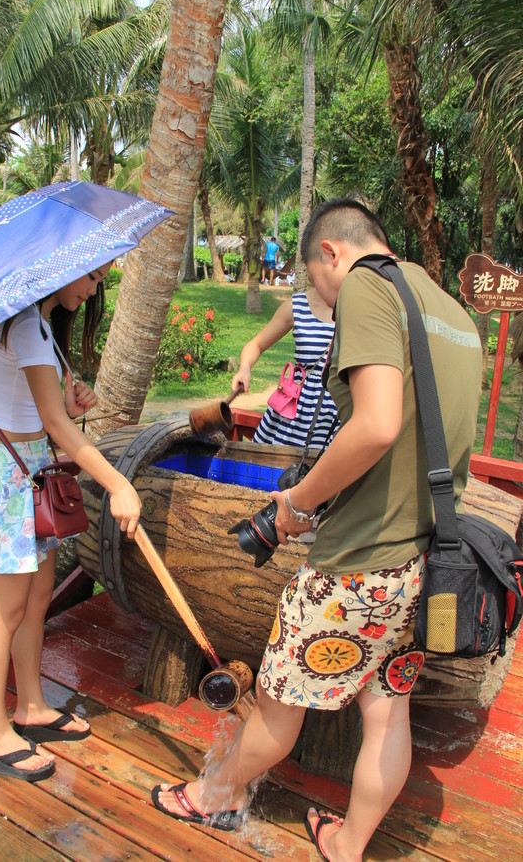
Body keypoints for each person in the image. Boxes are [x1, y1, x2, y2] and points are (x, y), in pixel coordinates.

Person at [152, 199, 482, 862]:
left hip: (357, 560)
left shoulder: (366, 283)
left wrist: (293, 507)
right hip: (424, 557)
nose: (320, 300)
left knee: (278, 702)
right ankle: (348, 843)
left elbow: (378, 425)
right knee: (387, 712)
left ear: (331, 252)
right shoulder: (448, 308)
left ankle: (213, 797)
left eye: (315, 281)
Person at [0, 261, 142, 782]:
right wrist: (118, 483)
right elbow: (56, 427)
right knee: (4, 612)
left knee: (35, 603)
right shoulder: (26, 327)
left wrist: (72, 399)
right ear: (62, 270)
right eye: (92, 277)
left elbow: (44, 411)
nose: (94, 288)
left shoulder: (31, 324)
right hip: (14, 483)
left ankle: (30, 706)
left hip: (29, 479)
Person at [231, 288, 338, 450]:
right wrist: (245, 369)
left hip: (336, 409)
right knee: (271, 467)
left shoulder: (364, 308)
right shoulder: (298, 306)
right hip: (294, 410)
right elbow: (256, 344)